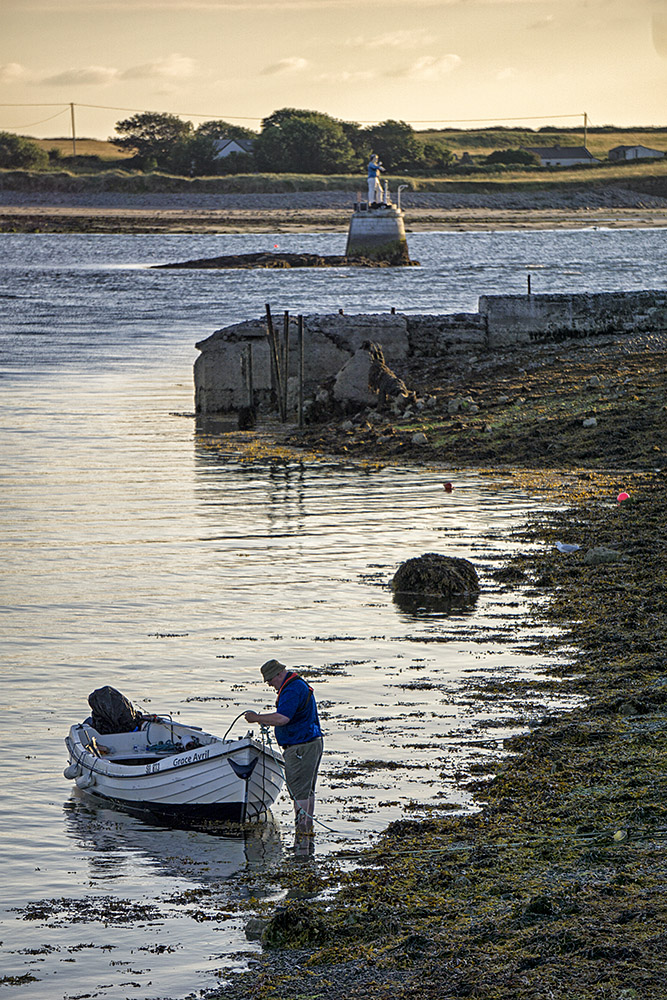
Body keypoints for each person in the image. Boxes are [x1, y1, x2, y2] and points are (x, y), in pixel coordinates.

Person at [244, 659, 324, 837]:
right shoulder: (296, 685)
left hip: (301, 747)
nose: (270, 685)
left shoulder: (292, 689)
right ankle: (305, 831)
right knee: (306, 790)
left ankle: (302, 832)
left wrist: (257, 718)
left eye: (270, 680)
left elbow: (282, 719)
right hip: (310, 743)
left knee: (300, 791)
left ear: (280, 674)